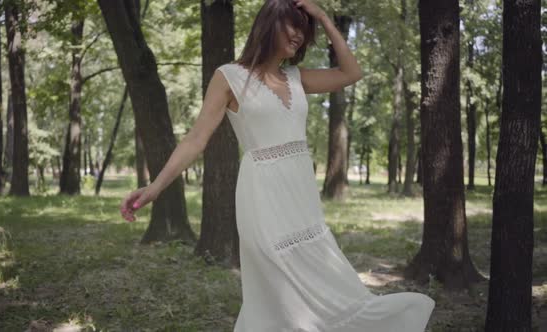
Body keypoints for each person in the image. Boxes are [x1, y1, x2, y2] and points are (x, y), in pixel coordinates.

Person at [120, 0, 435, 330]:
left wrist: (324, 19)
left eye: (304, 30)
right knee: (276, 293)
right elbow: (195, 139)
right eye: (292, 26)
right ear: (268, 23)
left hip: (302, 200)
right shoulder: (229, 76)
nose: (300, 36)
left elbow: (351, 73)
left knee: (325, 285)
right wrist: (154, 188)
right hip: (262, 197)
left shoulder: (297, 77)